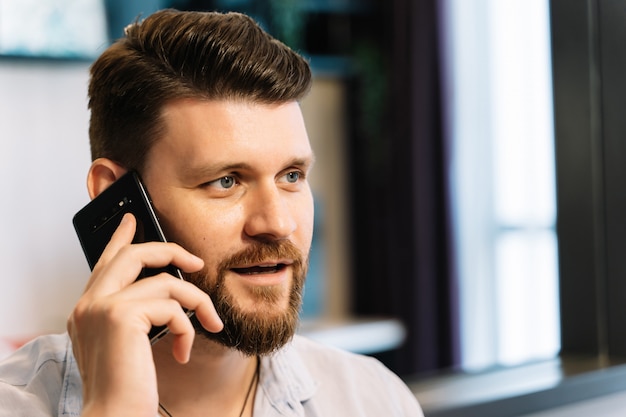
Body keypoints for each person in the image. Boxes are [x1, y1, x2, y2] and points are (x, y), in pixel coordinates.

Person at [0, 9, 423, 417]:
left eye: (291, 175)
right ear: (114, 196)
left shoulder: (375, 400)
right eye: (226, 181)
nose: (277, 223)